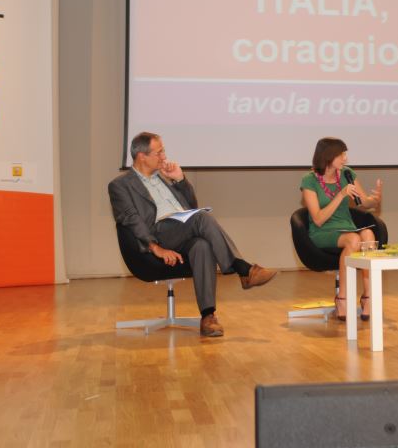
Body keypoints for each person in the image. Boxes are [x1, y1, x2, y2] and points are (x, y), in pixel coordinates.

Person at [108, 132, 277, 337]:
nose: (164, 157)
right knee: (201, 217)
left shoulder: (163, 178)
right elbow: (132, 220)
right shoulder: (120, 185)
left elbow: (191, 207)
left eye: (163, 151)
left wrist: (180, 179)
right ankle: (243, 269)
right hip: (158, 232)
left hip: (182, 230)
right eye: (159, 152)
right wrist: (155, 247)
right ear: (142, 156)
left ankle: (208, 317)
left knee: (202, 245)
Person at [300, 137, 383, 321]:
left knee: (368, 235)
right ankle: (342, 298)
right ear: (328, 156)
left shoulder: (347, 174)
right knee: (354, 239)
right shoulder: (309, 181)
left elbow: (364, 202)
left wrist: (374, 200)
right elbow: (318, 219)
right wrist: (340, 195)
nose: (345, 159)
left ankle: (368, 296)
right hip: (322, 231)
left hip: (347, 228)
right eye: (341, 155)